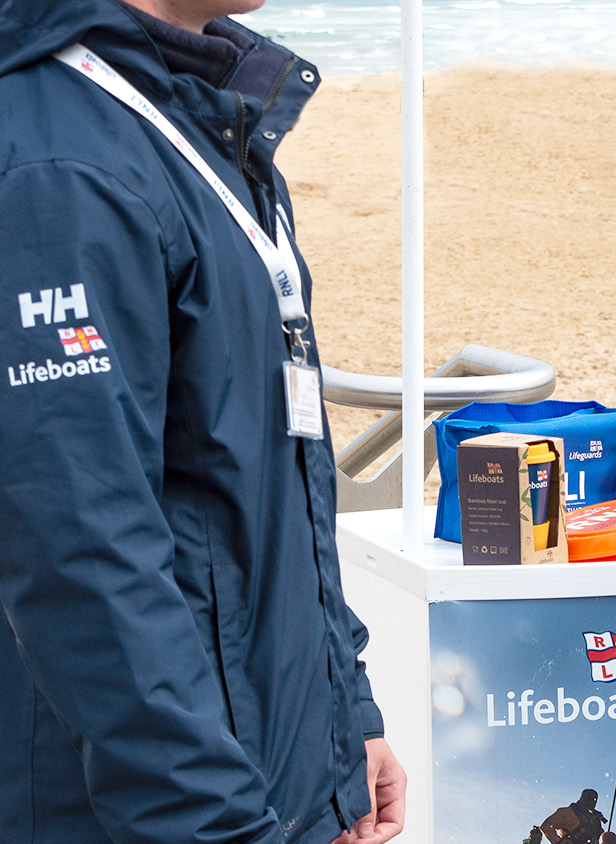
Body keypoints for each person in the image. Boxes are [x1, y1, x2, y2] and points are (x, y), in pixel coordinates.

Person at [0, 1, 406, 844]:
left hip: (258, 772)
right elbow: (80, 554)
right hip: (156, 814)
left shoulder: (193, 107)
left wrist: (345, 720)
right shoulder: (60, 165)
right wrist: (216, 826)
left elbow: (259, 482)